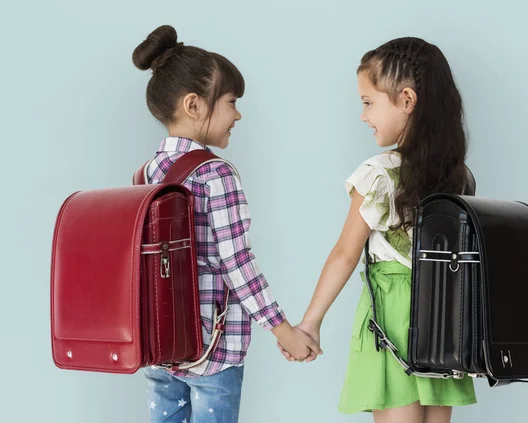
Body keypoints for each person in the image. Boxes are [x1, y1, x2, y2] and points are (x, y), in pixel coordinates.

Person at [279, 37, 477, 423]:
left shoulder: (380, 174)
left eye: (368, 102)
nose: (363, 115)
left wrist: (310, 323)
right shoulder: (458, 176)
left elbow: (345, 253)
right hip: (443, 315)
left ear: (406, 100)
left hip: (394, 314)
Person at [133, 24, 322, 423]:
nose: (238, 114)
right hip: (213, 349)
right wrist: (283, 329)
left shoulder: (145, 175)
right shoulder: (214, 174)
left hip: (159, 342)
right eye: (232, 101)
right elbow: (236, 262)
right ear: (194, 105)